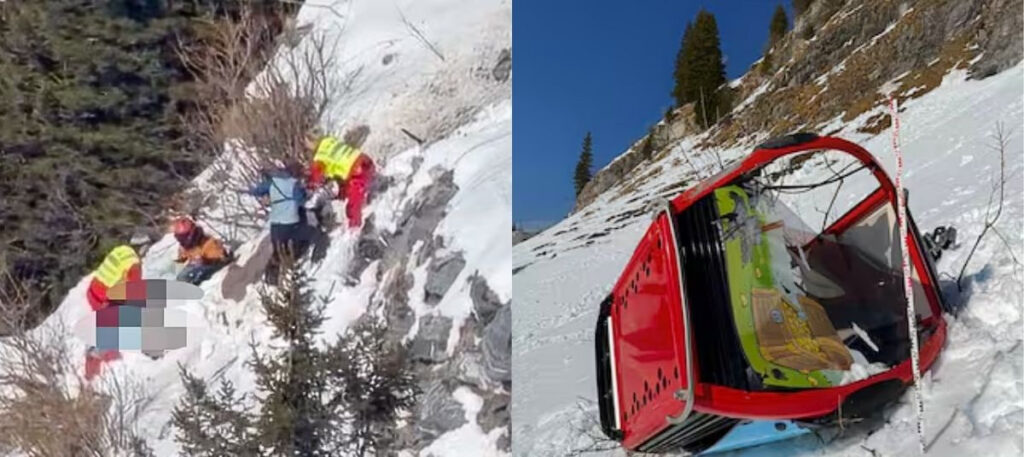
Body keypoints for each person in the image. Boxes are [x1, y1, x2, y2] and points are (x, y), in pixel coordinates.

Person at [84, 241, 144, 381]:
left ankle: (91, 361)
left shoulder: (121, 251)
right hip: (104, 297)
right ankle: (105, 365)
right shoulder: (134, 265)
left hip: (93, 292)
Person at [306, 125, 376, 229]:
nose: (307, 147)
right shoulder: (330, 141)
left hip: (356, 172)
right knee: (345, 190)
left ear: (313, 143)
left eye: (307, 144)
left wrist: (309, 186)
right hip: (365, 161)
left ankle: (355, 228)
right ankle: (372, 194)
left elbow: (315, 176)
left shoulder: (320, 155)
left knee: (352, 206)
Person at [248, 162, 309, 261]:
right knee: (298, 228)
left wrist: (249, 190)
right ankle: (297, 254)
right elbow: (301, 199)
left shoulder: (272, 182)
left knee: (277, 243)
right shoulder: (294, 183)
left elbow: (257, 191)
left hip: (277, 221)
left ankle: (278, 258)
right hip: (292, 219)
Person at [172, 217, 229, 285]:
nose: (182, 241)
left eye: (183, 238)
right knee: (182, 277)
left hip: (210, 269)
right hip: (194, 270)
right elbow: (182, 259)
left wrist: (205, 261)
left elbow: (221, 259)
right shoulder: (185, 248)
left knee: (196, 273)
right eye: (180, 238)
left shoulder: (209, 243)